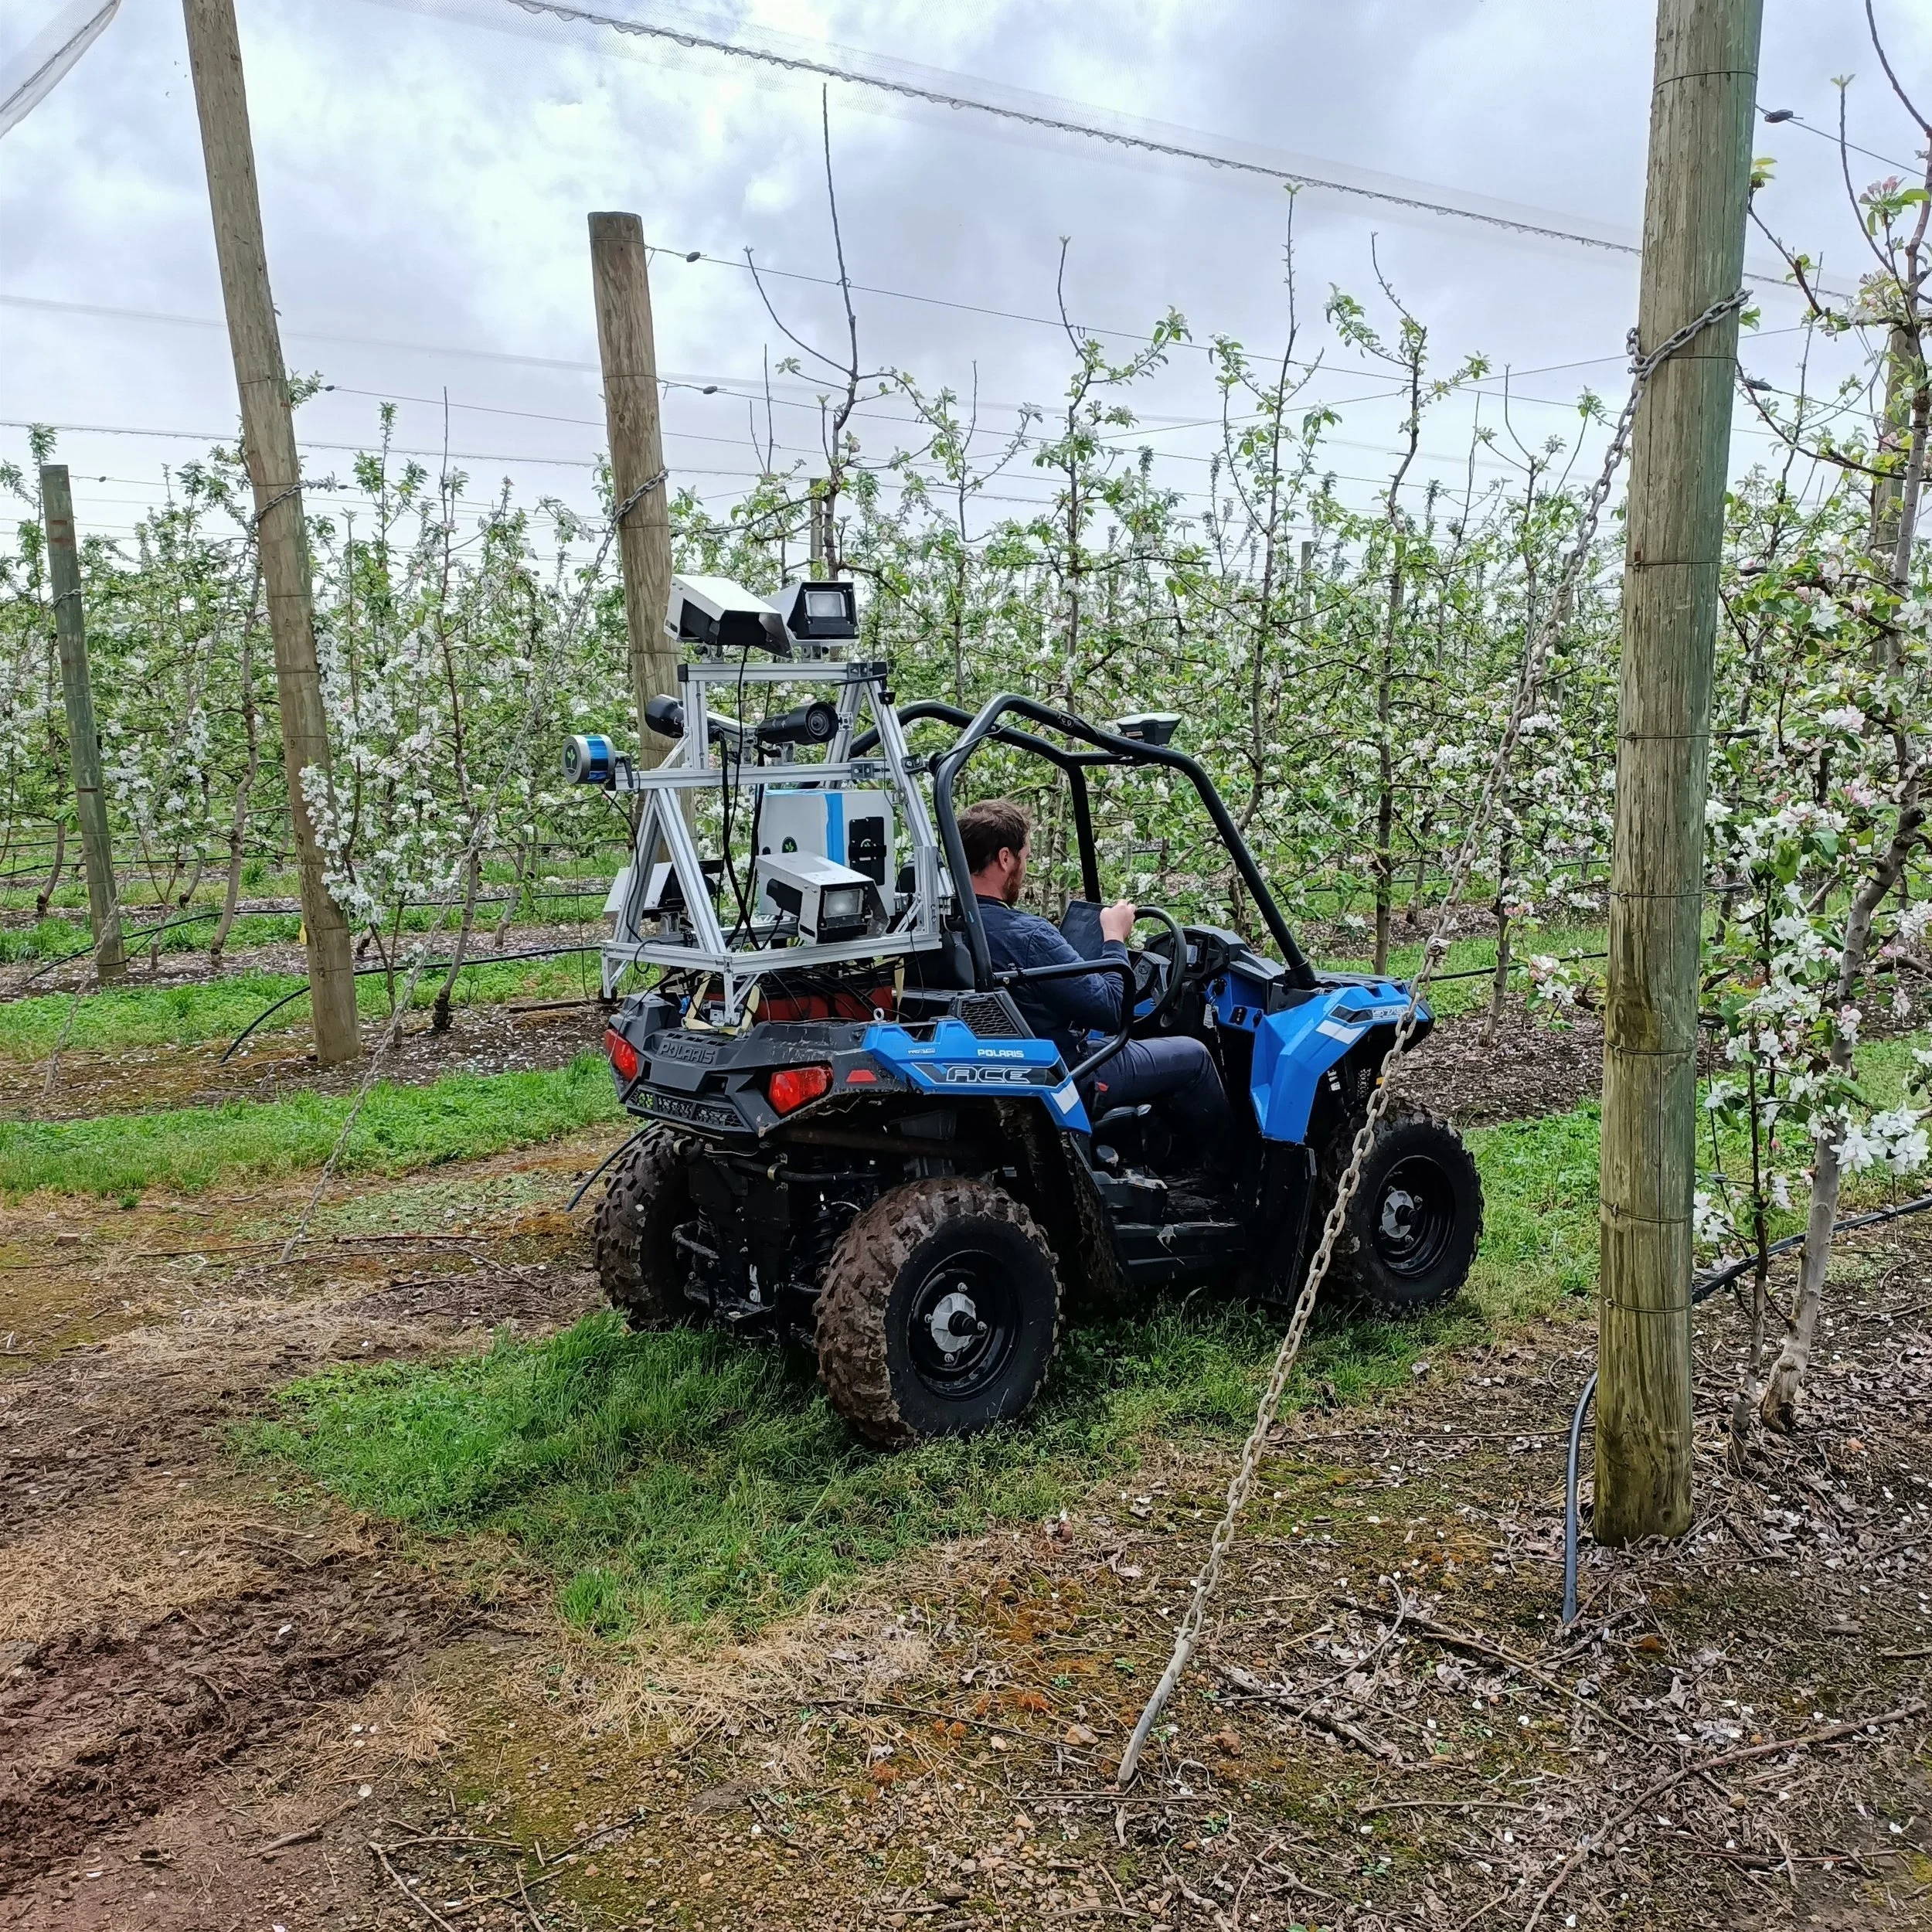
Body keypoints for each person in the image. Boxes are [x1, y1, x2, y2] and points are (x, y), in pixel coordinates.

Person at [957, 797, 1234, 1176]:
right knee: (1195, 1056)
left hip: (998, 1072)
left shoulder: (947, 930)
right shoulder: (1028, 936)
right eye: (1025, 856)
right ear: (1005, 859)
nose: (1025, 867)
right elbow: (1111, 1007)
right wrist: (1114, 937)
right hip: (1064, 1074)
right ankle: (1223, 1182)